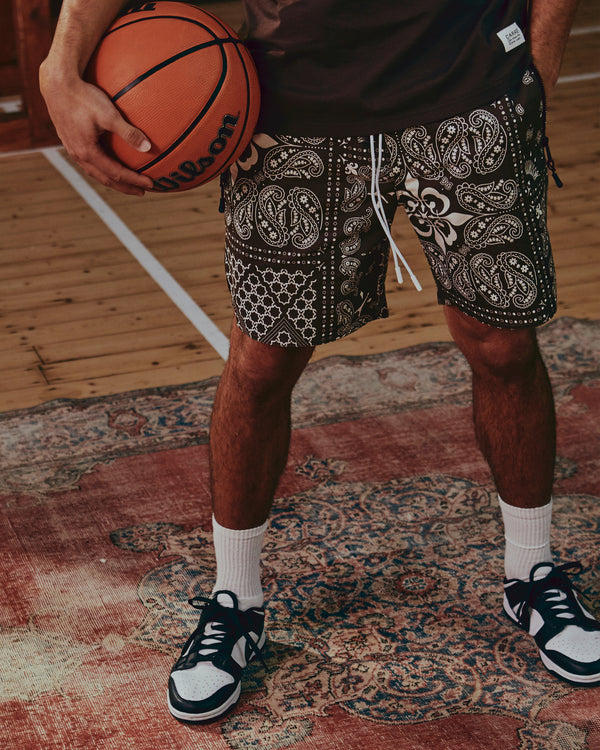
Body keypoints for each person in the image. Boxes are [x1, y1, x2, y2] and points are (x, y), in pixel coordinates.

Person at [40, 0, 599, 725]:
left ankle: (532, 573)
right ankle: (235, 601)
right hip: (294, 107)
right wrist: (60, 66)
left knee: (502, 343)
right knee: (263, 360)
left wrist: (538, 61)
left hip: (469, 91)